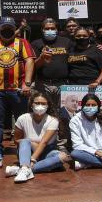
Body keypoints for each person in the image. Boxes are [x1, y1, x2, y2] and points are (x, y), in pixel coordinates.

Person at [0, 17, 35, 161]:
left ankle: (22, 147)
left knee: (21, 120)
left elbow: (30, 60)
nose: (6, 30)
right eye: (3, 28)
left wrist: (27, 84)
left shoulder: (22, 42)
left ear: (14, 29)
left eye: (10, 28)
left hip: (17, 89)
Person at [3, 92, 65, 183]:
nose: (40, 106)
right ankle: (26, 167)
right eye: (37, 103)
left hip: (46, 153)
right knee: (24, 141)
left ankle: (22, 169)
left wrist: (33, 160)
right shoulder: (22, 118)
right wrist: (31, 143)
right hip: (27, 153)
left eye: (43, 103)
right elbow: (16, 140)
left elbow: (44, 142)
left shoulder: (53, 120)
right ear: (31, 104)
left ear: (48, 106)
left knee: (62, 157)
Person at [31, 18, 72, 150]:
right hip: (43, 84)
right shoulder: (36, 43)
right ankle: (47, 143)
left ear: (57, 29)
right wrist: (42, 58)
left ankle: (62, 144)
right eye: (47, 29)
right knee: (44, 113)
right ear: (42, 30)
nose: (50, 31)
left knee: (63, 115)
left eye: (52, 28)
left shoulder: (66, 42)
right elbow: (33, 66)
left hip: (62, 84)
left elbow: (77, 57)